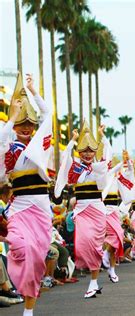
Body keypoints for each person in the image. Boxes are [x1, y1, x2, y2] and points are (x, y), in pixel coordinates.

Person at [1, 74, 53, 315]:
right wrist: (11, 117)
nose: (26, 128)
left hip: (41, 209)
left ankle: (29, 310)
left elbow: (48, 117)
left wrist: (33, 91)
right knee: (21, 246)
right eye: (21, 125)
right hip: (20, 208)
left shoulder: (39, 146)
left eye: (29, 124)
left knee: (37, 256)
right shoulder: (9, 149)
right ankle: (14, 282)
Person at [55, 122, 111, 297]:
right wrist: (71, 141)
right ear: (80, 152)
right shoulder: (75, 168)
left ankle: (93, 282)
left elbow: (108, 156)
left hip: (98, 210)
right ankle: (94, 275)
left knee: (95, 246)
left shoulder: (99, 167)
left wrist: (102, 136)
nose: (87, 154)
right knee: (82, 244)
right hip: (82, 211)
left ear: (94, 152)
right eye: (84, 151)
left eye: (90, 151)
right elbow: (64, 159)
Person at [102, 161, 125, 283]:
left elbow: (129, 183)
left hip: (115, 212)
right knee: (114, 236)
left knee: (119, 236)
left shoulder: (116, 180)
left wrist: (128, 164)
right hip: (104, 211)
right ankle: (105, 255)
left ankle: (112, 268)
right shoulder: (101, 178)